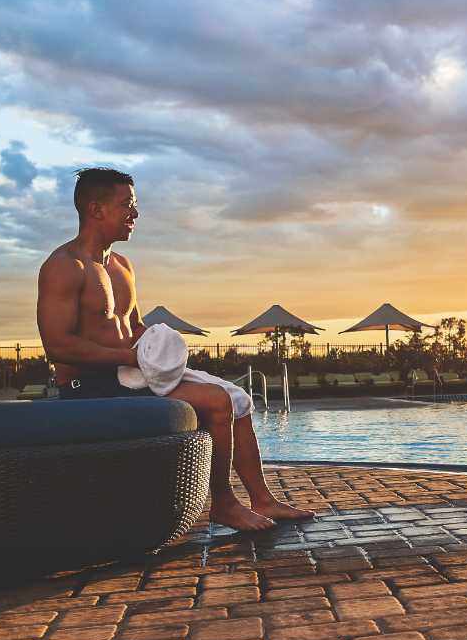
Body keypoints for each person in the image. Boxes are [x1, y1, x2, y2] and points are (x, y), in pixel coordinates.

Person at [37, 168, 314, 532]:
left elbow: (133, 326)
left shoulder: (122, 266)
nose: (134, 215)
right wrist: (129, 357)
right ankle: (224, 504)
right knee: (217, 402)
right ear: (96, 209)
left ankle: (263, 499)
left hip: (133, 372)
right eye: (127, 206)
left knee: (239, 398)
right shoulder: (64, 267)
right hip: (91, 386)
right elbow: (57, 346)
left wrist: (159, 348)